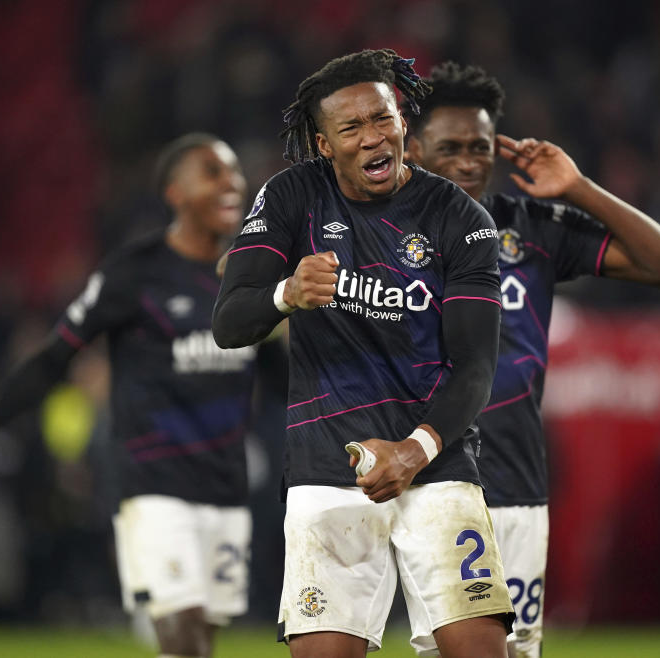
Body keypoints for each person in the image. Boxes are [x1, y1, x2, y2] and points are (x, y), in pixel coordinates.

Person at [213, 49, 515, 658]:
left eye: (383, 119)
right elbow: (230, 322)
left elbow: (477, 366)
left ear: (404, 122)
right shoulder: (292, 197)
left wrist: (414, 450)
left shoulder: (462, 219)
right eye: (351, 128)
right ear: (325, 145)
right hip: (327, 469)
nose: (373, 137)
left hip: (436, 461)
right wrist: (286, 292)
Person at [405, 62, 660, 657]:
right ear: (414, 150)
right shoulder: (382, 236)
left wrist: (579, 188)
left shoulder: (530, 229)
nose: (468, 162)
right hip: (425, 480)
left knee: (516, 652)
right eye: (450, 147)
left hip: (515, 483)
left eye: (479, 148)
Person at [0, 133, 258, 658]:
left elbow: (277, 369)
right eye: (212, 171)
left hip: (226, 485)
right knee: (182, 635)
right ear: (175, 193)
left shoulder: (249, 277)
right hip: (155, 485)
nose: (231, 182)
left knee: (200, 640)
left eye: (233, 172)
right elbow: (56, 354)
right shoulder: (134, 273)